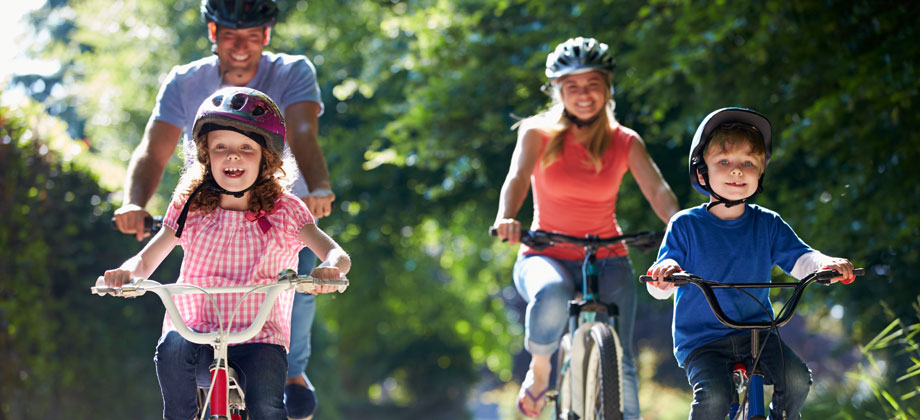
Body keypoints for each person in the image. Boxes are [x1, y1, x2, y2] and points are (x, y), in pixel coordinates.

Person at [110, 1, 331, 417]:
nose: (241, 47)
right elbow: (153, 152)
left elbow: (303, 133)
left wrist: (319, 186)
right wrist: (135, 203)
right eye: (229, 34)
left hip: (274, 219)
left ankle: (290, 373)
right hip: (210, 207)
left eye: (252, 36)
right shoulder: (184, 82)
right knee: (178, 339)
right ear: (212, 32)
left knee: (294, 290)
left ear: (267, 35)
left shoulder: (293, 71)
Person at [492, 37, 679, 419]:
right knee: (552, 293)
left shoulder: (625, 141)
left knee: (622, 356)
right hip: (545, 251)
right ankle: (541, 367)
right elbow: (516, 178)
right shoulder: (536, 133)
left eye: (592, 84)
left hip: (607, 254)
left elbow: (658, 190)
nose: (583, 94)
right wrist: (506, 217)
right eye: (572, 86)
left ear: (607, 87)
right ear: (557, 89)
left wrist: (682, 229)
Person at [644, 107, 856, 419]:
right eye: (724, 162)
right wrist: (665, 275)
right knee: (714, 398)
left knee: (797, 379)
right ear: (703, 172)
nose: (737, 171)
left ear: (760, 173)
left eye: (748, 163)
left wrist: (827, 265)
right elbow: (664, 277)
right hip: (703, 340)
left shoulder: (768, 224)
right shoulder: (685, 224)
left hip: (758, 333)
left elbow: (802, 259)